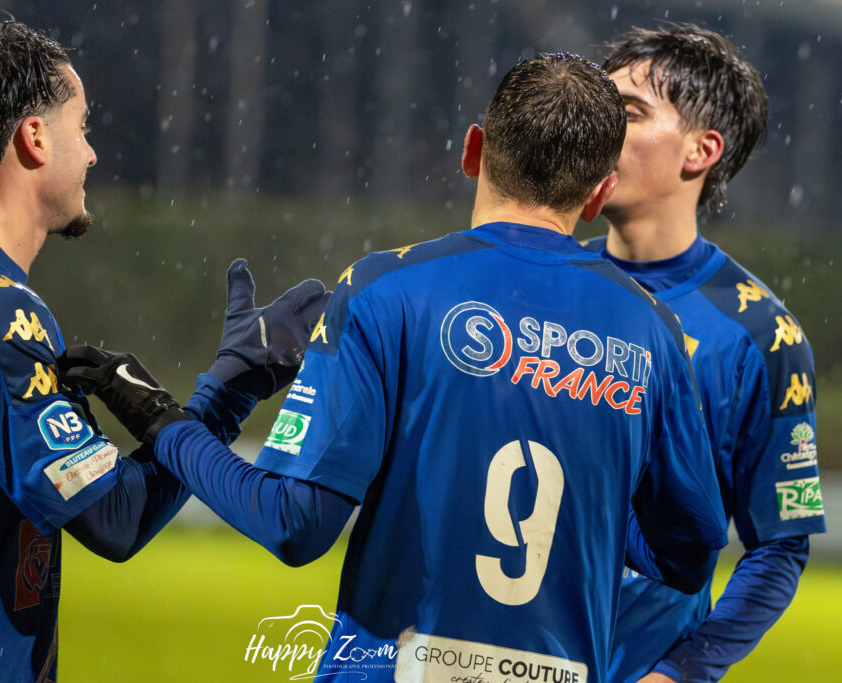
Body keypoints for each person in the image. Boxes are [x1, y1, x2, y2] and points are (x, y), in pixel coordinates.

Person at [61, 53, 728, 682]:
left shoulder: (389, 290)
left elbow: (294, 523)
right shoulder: (651, 329)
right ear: (598, 192)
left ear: (474, 150)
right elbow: (692, 550)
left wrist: (167, 423)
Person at [0, 20, 328, 683]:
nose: (90, 154)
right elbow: (116, 519)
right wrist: (227, 391)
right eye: (81, 127)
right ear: (34, 137)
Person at [585, 25, 826, 683]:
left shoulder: (760, 333)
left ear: (702, 149)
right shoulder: (532, 287)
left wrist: (678, 673)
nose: (598, 130)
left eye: (628, 114)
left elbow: (778, 545)